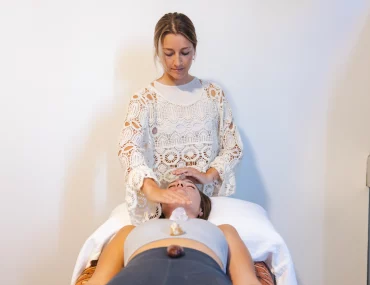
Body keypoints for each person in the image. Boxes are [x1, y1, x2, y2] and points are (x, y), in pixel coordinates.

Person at [118, 12, 243, 225]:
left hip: (204, 213)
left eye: (185, 52)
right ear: (158, 52)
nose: (177, 62)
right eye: (169, 53)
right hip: (161, 216)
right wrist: (152, 189)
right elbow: (128, 149)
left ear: (195, 50)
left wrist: (208, 175)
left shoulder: (213, 95)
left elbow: (233, 148)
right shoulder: (144, 100)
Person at [85, 178, 261, 285]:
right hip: (138, 274)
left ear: (201, 209)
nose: (179, 186)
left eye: (190, 187)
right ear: (160, 203)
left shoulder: (223, 230)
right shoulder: (130, 231)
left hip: (203, 274)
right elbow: (99, 280)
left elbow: (246, 280)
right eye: (172, 186)